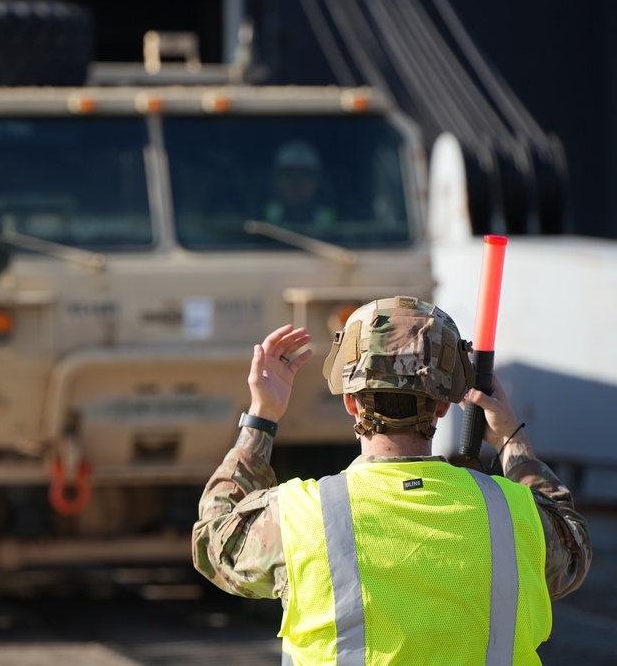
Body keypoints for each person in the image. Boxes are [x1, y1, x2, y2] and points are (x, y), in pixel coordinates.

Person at [192, 295, 591, 665]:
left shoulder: (299, 518)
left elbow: (214, 541)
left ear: (351, 400)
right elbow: (572, 548)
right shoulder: (514, 516)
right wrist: (510, 436)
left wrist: (262, 417)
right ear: (441, 407)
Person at [263, 139, 338, 229]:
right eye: (289, 175)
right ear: (277, 181)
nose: (297, 182)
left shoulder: (339, 222)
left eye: (304, 175)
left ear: (317, 181)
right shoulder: (260, 221)